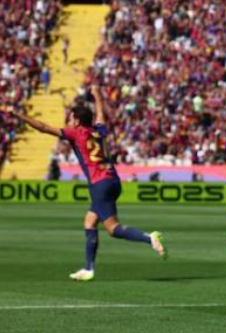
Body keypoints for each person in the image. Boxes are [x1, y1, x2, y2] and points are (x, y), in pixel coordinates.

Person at [0, 86, 167, 281]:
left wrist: (17, 114)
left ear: (77, 121)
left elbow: (43, 127)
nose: (69, 121)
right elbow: (101, 115)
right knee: (89, 222)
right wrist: (97, 95)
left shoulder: (76, 133)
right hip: (113, 180)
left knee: (113, 229)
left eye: (71, 118)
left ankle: (149, 238)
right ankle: (88, 269)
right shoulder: (98, 131)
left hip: (99, 184)